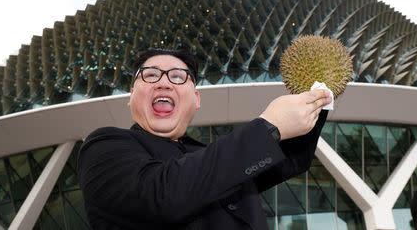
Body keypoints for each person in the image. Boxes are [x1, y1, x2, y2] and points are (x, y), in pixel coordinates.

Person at [77, 48, 332, 230]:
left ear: (196, 99)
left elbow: (290, 159)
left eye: (178, 76)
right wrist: (268, 127)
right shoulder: (103, 147)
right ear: (132, 95)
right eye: (151, 75)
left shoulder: (209, 156)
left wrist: (318, 101)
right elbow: (162, 195)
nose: (164, 83)